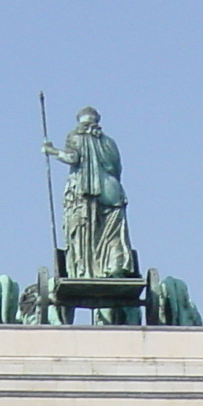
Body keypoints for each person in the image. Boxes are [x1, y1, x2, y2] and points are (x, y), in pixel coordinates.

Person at [43, 107, 135, 285]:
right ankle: (115, 268)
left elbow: (72, 158)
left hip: (83, 191)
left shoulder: (75, 136)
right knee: (113, 234)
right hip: (112, 190)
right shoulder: (109, 142)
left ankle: (84, 271)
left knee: (82, 231)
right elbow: (117, 168)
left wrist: (51, 150)